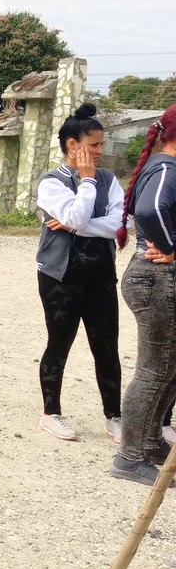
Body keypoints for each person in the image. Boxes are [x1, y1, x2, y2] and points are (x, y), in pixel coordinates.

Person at [33, 104, 124, 443]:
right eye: (95, 145)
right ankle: (51, 413)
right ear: (73, 145)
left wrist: (77, 226)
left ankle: (114, 417)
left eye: (102, 144)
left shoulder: (109, 179)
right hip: (60, 276)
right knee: (59, 343)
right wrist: (85, 183)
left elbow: (118, 223)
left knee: (107, 346)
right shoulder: (51, 182)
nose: (101, 151)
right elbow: (78, 214)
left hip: (100, 274)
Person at [108, 104, 176, 486]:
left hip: (156, 277)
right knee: (154, 370)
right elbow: (151, 209)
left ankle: (150, 444)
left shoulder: (163, 166)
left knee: (169, 368)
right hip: (157, 276)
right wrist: (170, 246)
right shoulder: (167, 168)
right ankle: (130, 457)